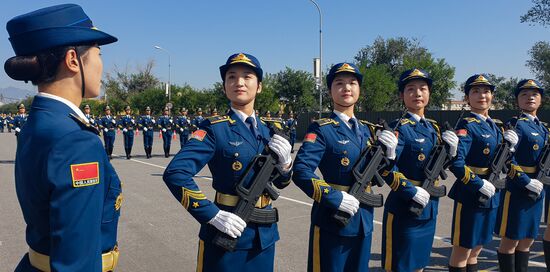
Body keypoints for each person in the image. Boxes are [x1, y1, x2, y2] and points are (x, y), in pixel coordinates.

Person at [4, 4, 122, 271]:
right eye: (98, 54)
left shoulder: (41, 121)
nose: (102, 66)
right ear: (73, 60)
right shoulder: (75, 140)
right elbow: (76, 260)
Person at [163, 52, 292, 271]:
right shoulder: (215, 128)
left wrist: (286, 165)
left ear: (259, 86)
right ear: (224, 87)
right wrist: (211, 214)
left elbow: (280, 184)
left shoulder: (271, 130)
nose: (239, 82)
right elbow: (176, 173)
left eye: (247, 76)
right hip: (227, 232)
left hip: (264, 236)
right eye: (231, 77)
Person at [293, 62, 399, 271]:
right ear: (330, 91)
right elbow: (301, 171)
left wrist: (390, 155)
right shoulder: (322, 129)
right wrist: (335, 197)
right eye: (339, 83)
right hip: (332, 219)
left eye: (352, 83)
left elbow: (379, 174)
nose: (346, 88)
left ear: (360, 90)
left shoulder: (369, 131)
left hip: (363, 220)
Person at [380, 68, 459, 272]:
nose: (417, 94)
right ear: (401, 95)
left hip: (430, 207)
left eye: (423, 89)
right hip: (405, 206)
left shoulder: (433, 127)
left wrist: (452, 152)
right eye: (411, 89)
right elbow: (387, 169)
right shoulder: (398, 128)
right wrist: (410, 191)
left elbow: (442, 166)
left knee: (420, 264)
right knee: (400, 266)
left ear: (429, 93)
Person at [448, 74, 516, 272]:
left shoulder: (496, 125)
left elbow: (503, 162)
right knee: (463, 249)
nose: (481, 96)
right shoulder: (466, 125)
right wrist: (479, 184)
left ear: (492, 96)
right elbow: (457, 164)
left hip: (492, 192)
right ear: (467, 97)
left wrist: (510, 149)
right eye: (475, 91)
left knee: (478, 247)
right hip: (471, 193)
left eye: (486, 91)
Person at [495, 79, 546, 271]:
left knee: (528, 239)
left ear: (541, 100)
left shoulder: (543, 128)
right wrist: (525, 181)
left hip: (538, 188)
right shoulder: (515, 125)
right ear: (517, 101)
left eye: (534, 94)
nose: (530, 98)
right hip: (517, 189)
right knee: (510, 240)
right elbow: (507, 159)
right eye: (524, 94)